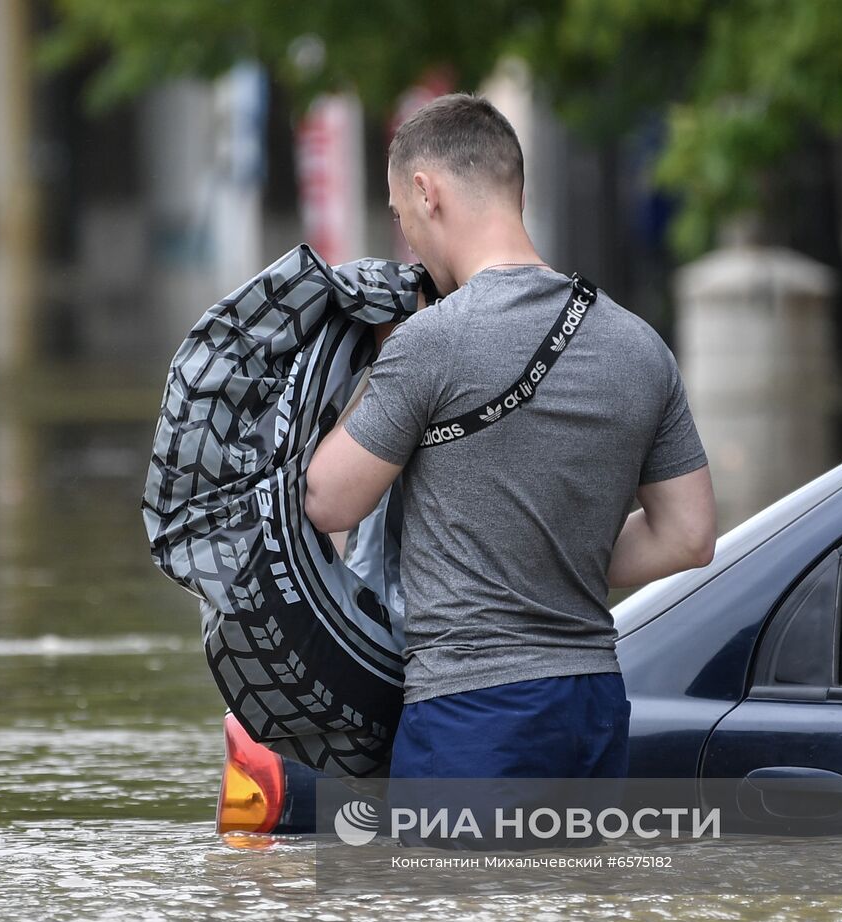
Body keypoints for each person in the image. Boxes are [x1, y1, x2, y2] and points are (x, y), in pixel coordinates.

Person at [302, 94, 715, 842]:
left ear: (427, 191)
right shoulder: (639, 346)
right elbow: (689, 536)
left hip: (472, 715)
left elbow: (329, 499)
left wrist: (372, 364)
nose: (409, 243)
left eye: (401, 217)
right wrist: (561, 552)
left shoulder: (431, 342)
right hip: (593, 707)